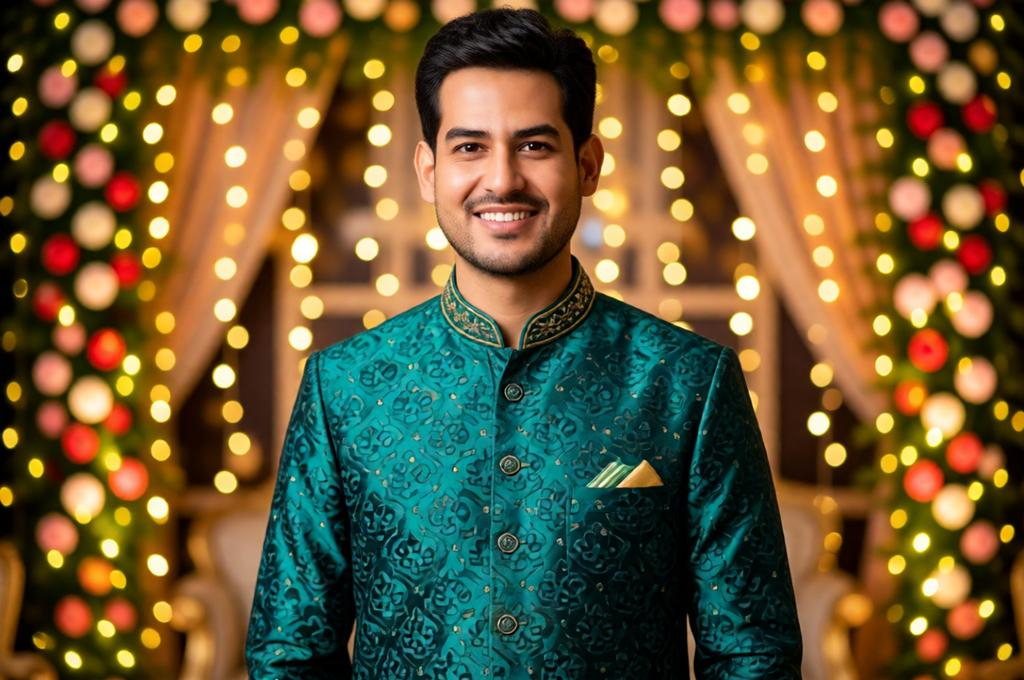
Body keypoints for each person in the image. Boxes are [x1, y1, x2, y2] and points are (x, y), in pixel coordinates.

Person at [245, 7, 802, 679]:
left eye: (534, 145)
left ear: (588, 163)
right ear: (429, 170)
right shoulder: (345, 387)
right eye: (470, 147)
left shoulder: (688, 382)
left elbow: (753, 654)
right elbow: (289, 654)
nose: (502, 179)